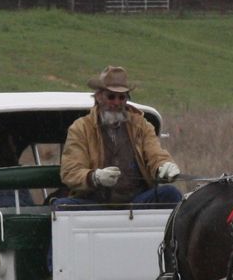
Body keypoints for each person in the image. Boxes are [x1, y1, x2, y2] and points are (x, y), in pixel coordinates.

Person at [57, 64, 184, 206]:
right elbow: (70, 172)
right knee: (63, 206)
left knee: (170, 193)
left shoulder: (140, 125)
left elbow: (155, 154)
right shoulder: (81, 128)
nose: (116, 102)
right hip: (94, 203)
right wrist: (95, 177)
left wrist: (164, 167)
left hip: (136, 202)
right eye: (111, 97)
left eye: (122, 97)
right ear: (99, 97)